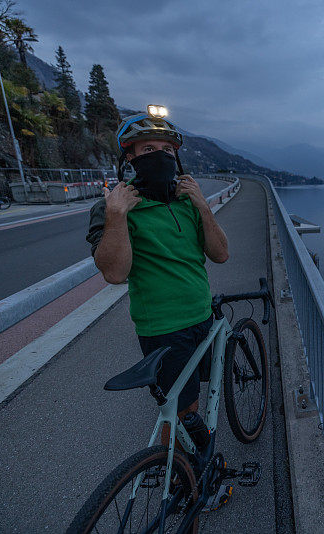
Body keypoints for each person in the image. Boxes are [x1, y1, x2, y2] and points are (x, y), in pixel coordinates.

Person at [86, 111, 229, 449]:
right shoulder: (115, 207)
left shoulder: (186, 202)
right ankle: (181, 487)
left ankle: (185, 474)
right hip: (165, 328)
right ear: (129, 157)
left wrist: (202, 206)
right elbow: (115, 273)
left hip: (202, 316)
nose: (161, 156)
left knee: (193, 404)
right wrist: (116, 214)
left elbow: (221, 254)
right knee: (183, 411)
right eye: (148, 149)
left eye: (167, 150)